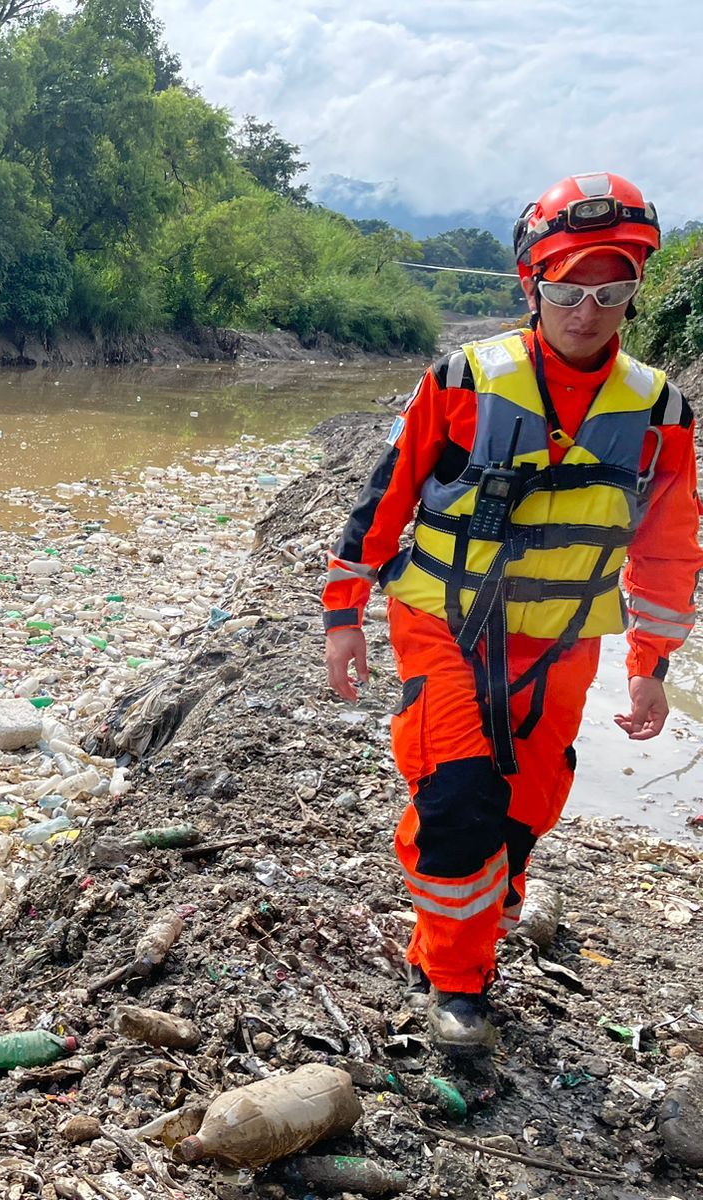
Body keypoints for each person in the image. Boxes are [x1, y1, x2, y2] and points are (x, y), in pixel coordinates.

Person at [321, 173, 703, 1057]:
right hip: (443, 624)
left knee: (522, 815)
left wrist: (650, 664)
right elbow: (386, 499)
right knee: (458, 797)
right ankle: (456, 982)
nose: (588, 308)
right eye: (568, 287)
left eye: (611, 289)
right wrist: (344, 610)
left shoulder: (659, 412)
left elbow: (669, 549)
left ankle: (482, 907)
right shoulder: (464, 380)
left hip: (561, 645)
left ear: (635, 291)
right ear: (533, 283)